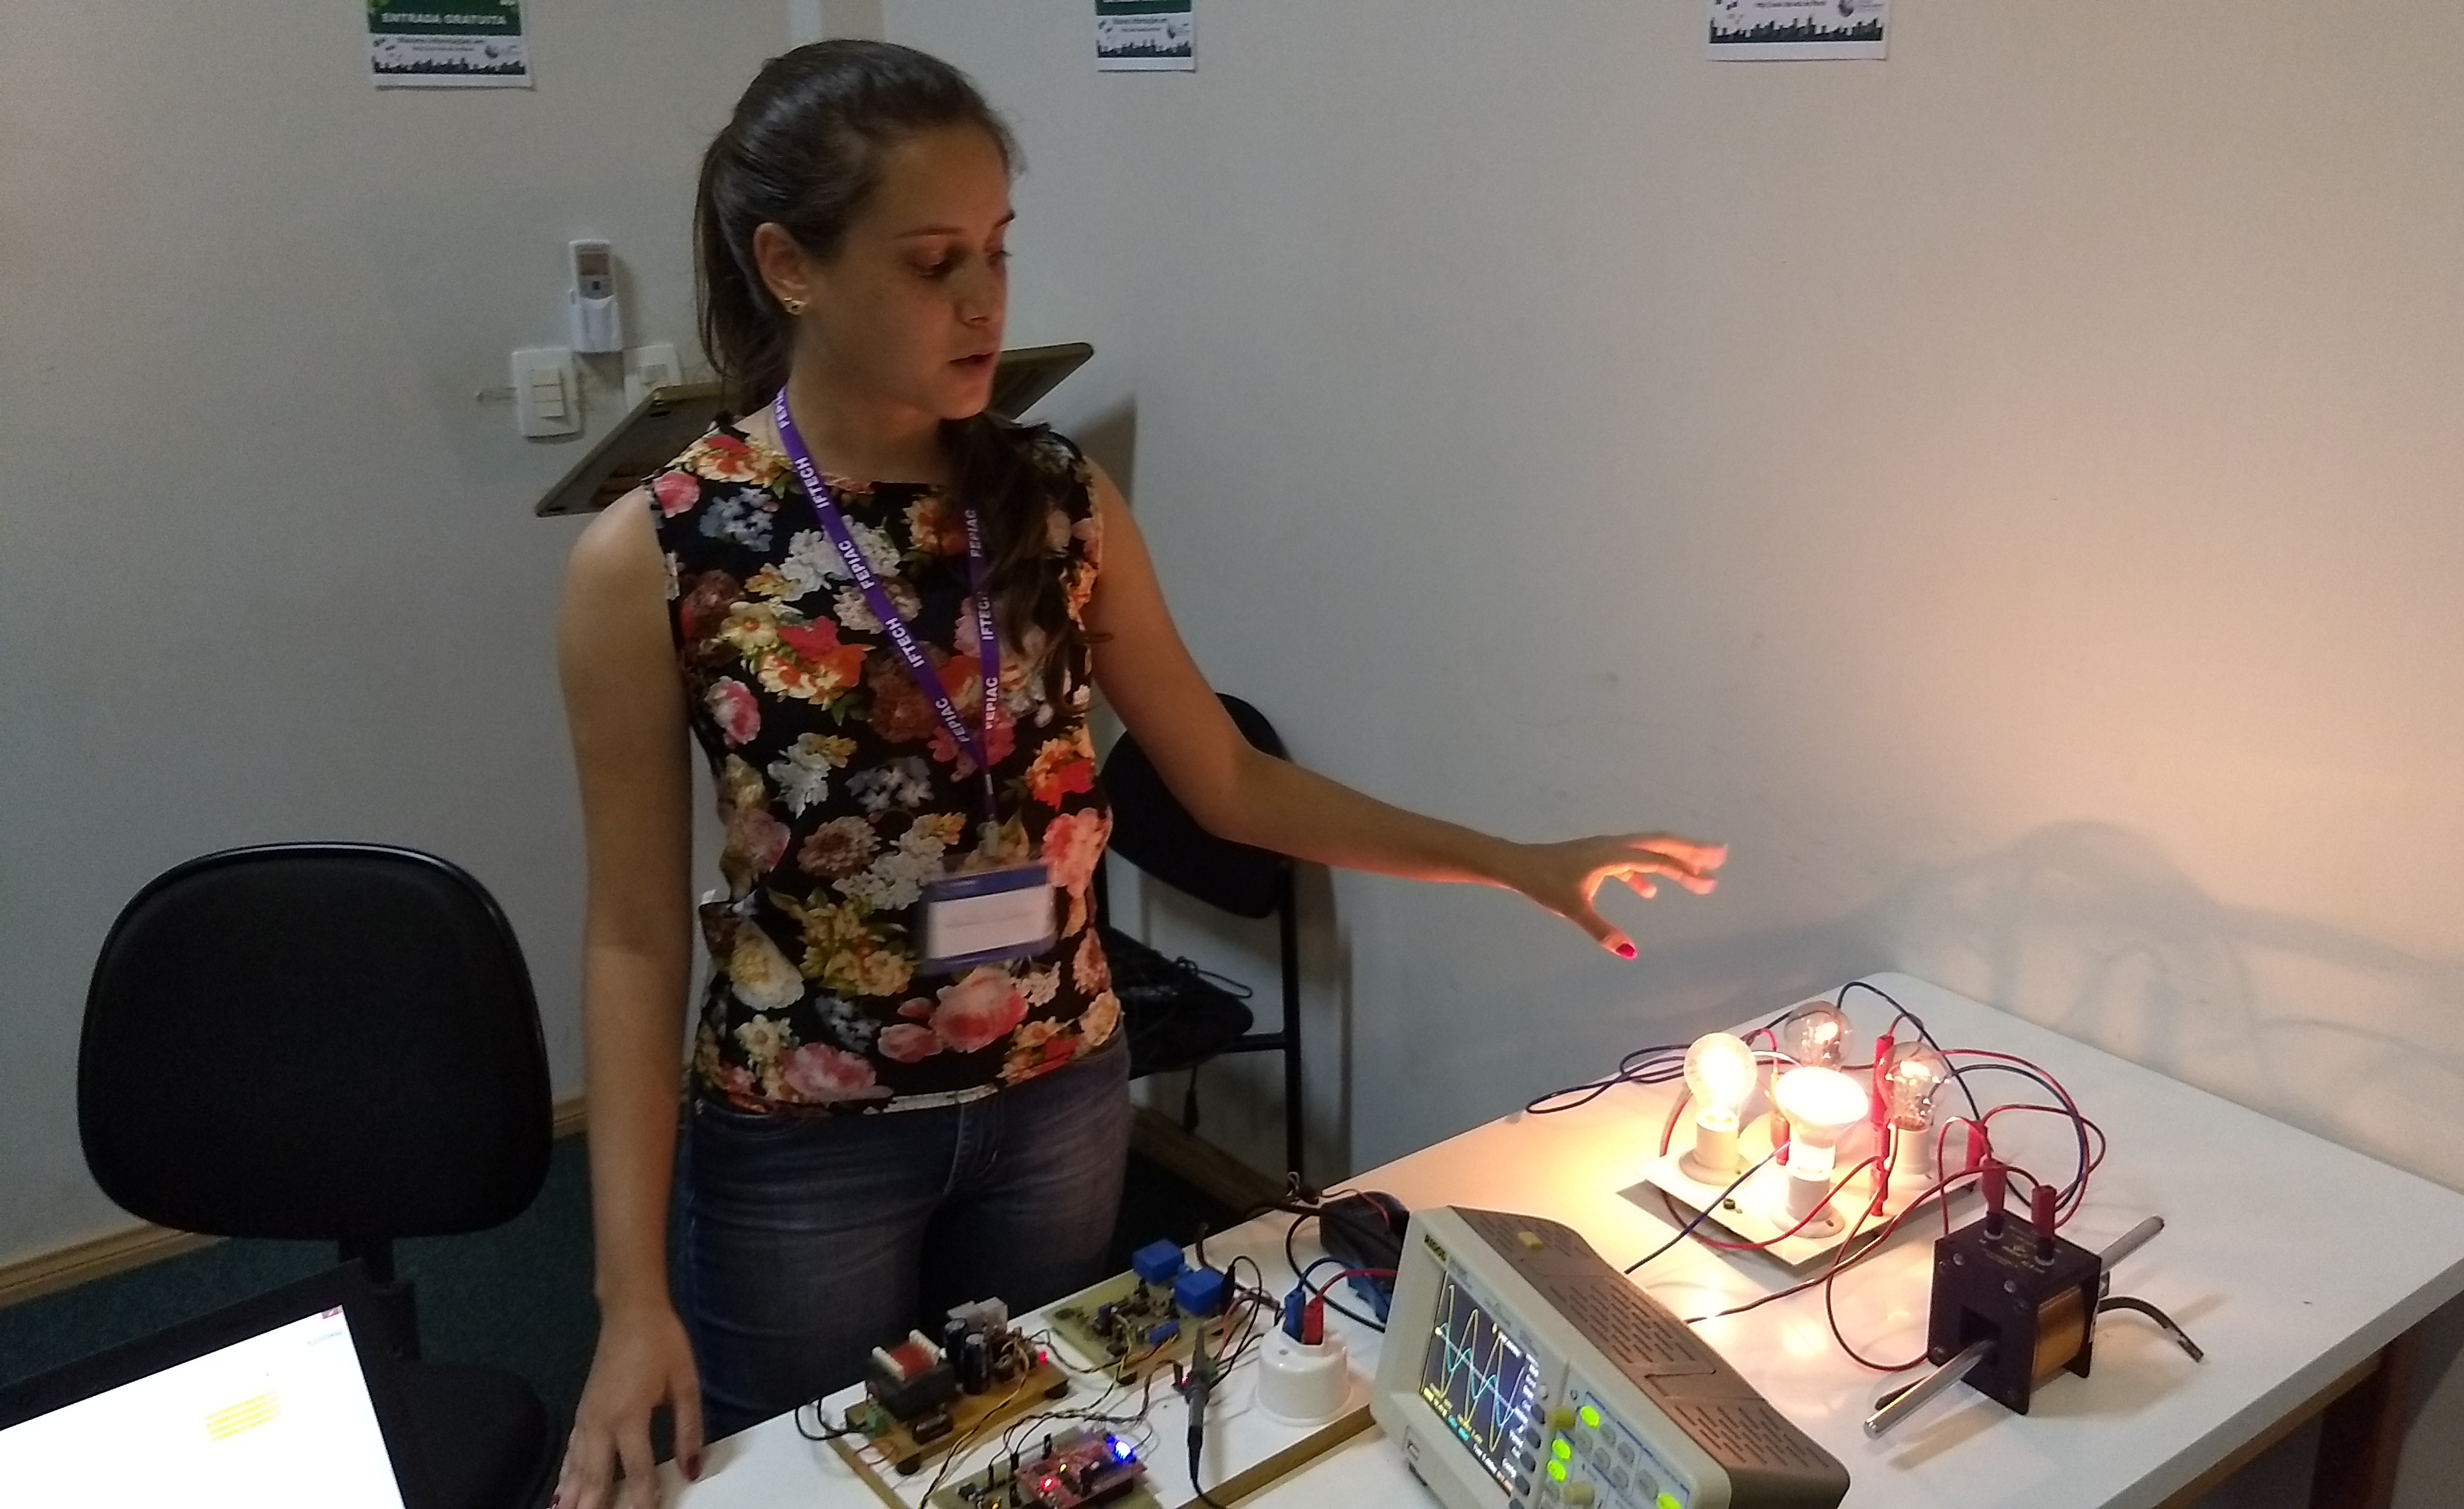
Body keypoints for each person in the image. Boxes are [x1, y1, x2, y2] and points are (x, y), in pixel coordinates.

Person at [551, 41, 1724, 1508]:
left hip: (1056, 1089)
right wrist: (627, 1299)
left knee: (1039, 1457)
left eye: (997, 249)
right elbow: (633, 937)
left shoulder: (1054, 499)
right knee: (807, 1481)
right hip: (805, 1133)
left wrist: (1512, 859)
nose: (985, 301)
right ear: (790, 266)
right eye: (932, 263)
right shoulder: (660, 551)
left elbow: (1228, 781)